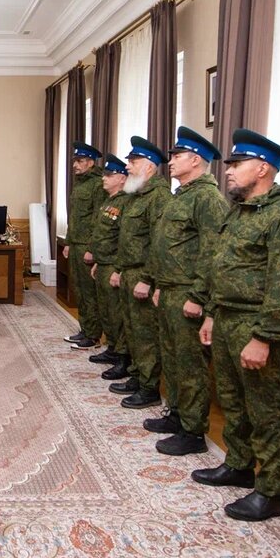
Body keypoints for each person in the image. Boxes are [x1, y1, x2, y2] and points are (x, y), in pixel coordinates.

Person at [191, 128, 280, 522]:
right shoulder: (239, 212)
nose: (228, 172)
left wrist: (263, 337)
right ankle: (239, 465)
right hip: (225, 318)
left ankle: (272, 491)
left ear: (262, 168)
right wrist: (210, 313)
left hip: (255, 325)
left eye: (236, 165)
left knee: (266, 409)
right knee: (233, 401)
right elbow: (222, 267)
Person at [146, 126, 228, 455]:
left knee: (191, 364)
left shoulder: (208, 199)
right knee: (173, 358)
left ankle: (193, 431)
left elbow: (214, 252)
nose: (171, 160)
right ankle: (178, 414)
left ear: (195, 160)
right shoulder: (183, 196)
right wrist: (158, 284)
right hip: (169, 290)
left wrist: (198, 297)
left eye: (177, 156)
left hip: (188, 294)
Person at [107, 136, 170, 409]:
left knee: (145, 335)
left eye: (133, 162)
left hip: (144, 275)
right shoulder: (136, 195)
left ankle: (148, 387)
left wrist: (148, 279)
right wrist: (120, 269)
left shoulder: (159, 197)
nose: (128, 167)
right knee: (132, 330)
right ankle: (137, 376)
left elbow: (159, 242)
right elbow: (128, 238)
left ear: (150, 166)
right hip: (130, 272)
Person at [86, 154, 131, 377]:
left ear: (122, 178)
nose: (104, 178)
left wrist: (118, 268)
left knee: (117, 314)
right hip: (103, 264)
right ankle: (112, 348)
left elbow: (124, 239)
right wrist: (97, 261)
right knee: (106, 311)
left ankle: (122, 357)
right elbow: (102, 234)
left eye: (109, 175)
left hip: (114, 265)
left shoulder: (125, 202)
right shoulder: (108, 202)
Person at [62, 142, 106, 349]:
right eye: (75, 161)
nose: (75, 165)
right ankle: (85, 330)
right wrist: (69, 242)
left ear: (90, 162)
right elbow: (75, 218)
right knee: (79, 290)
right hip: (76, 244)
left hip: (88, 246)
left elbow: (98, 218)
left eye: (79, 161)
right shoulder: (80, 183)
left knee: (90, 293)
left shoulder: (98, 184)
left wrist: (92, 248)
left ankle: (94, 336)